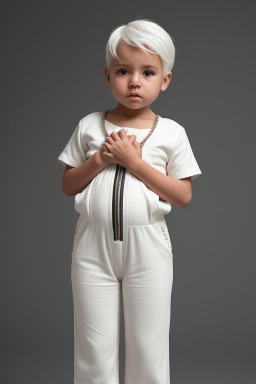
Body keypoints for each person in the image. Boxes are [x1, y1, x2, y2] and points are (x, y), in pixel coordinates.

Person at [58, 18, 202, 384]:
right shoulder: (90, 125)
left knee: (148, 346)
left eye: (148, 72)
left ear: (165, 79)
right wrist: (101, 159)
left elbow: (183, 195)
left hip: (149, 246)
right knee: (93, 346)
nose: (134, 81)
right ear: (108, 76)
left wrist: (135, 162)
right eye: (123, 71)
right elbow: (68, 185)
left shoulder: (172, 132)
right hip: (92, 245)